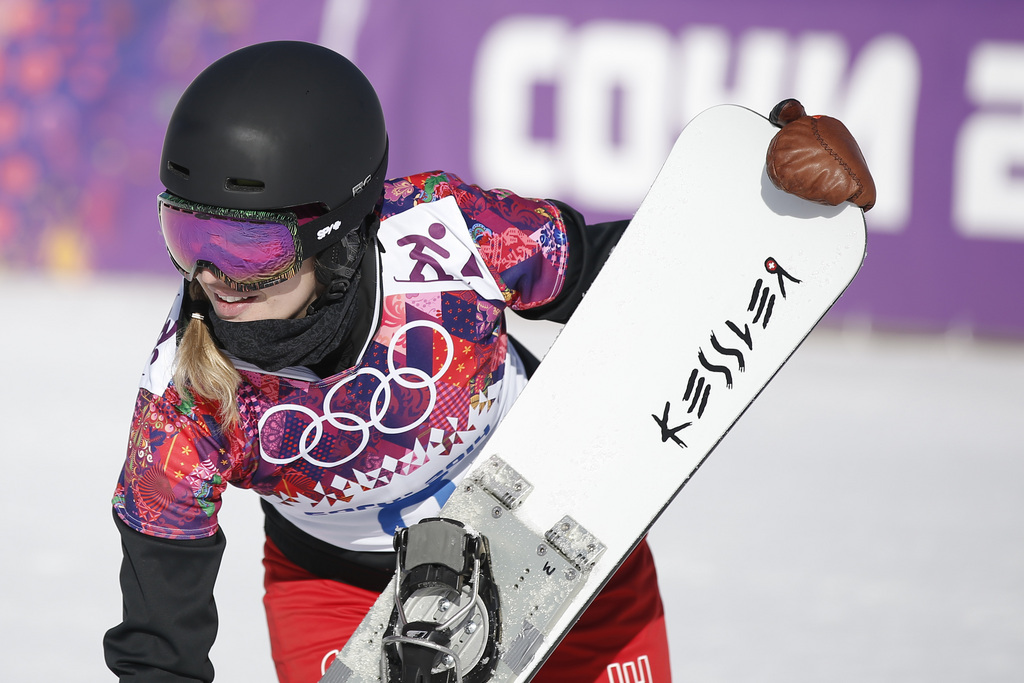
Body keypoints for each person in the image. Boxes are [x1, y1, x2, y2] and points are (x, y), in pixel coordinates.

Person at [103, 40, 874, 683]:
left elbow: (617, 272)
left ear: (336, 234)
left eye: (248, 249)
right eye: (188, 238)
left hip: (561, 537)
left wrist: (757, 201)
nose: (212, 279)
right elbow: (159, 641)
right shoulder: (183, 397)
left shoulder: (445, 235)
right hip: (343, 597)